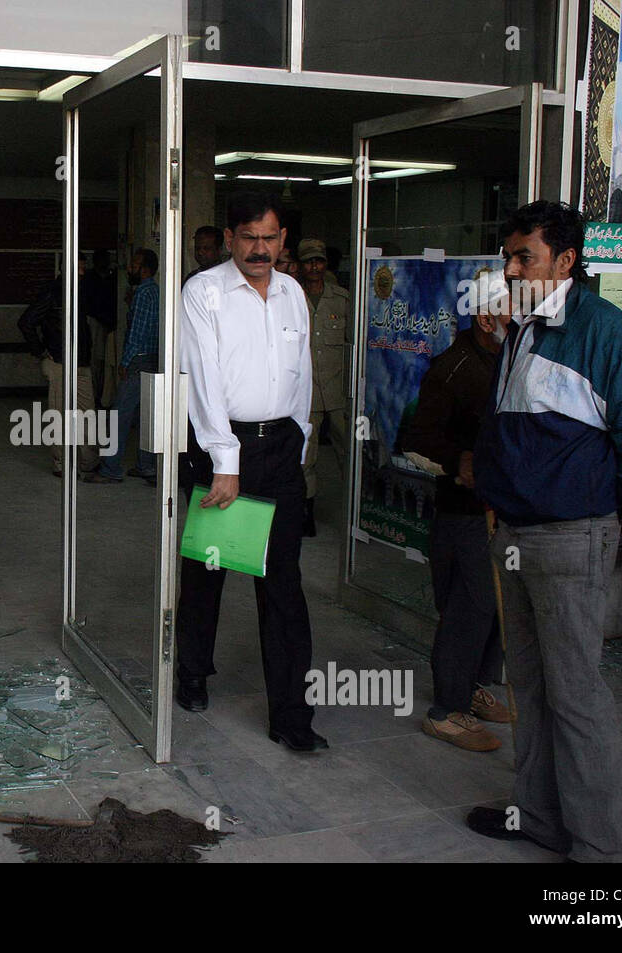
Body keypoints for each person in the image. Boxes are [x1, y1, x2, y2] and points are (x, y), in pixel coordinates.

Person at [468, 200, 622, 862]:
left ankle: (598, 846)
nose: (509, 267)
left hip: (572, 537)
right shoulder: (524, 326)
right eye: (506, 255)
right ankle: (537, 815)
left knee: (576, 695)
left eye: (523, 256)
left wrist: (615, 507)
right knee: (528, 685)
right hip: (518, 535)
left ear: (566, 260)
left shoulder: (606, 333)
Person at [176, 192, 324, 752]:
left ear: (283, 238)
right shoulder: (204, 292)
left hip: (281, 451)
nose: (260, 250)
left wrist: (302, 441)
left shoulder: (291, 294)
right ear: (231, 238)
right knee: (208, 570)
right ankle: (193, 670)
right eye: (249, 239)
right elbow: (204, 380)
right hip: (224, 448)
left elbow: (302, 371)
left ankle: (292, 716)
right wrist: (225, 461)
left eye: (270, 238)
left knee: (283, 584)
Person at [399, 269, 511, 753]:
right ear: (487, 318)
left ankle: (473, 689)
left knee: (497, 610)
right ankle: (447, 709)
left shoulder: (510, 358)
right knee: (471, 605)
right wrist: (459, 460)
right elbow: (418, 439)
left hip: (506, 507)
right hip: (465, 511)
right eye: (514, 309)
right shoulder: (453, 367)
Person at [18, 259, 99, 476]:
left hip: (81, 363)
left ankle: (88, 461)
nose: (83, 272)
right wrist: (41, 351)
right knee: (59, 415)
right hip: (59, 364)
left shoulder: (81, 292)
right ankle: (61, 463)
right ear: (67, 269)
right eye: (79, 268)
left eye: (84, 267)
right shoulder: (52, 292)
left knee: (87, 412)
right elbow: (25, 321)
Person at [86, 248, 159, 485]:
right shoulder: (155, 291)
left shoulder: (143, 294)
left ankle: (110, 468)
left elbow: (137, 332)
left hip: (138, 359)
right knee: (146, 415)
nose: (129, 268)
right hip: (153, 359)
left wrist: (125, 361)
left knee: (118, 415)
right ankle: (146, 465)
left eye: (134, 265)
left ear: (145, 269)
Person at [297, 238, 350, 537]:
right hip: (307, 394)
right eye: (308, 262)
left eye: (318, 261)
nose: (314, 266)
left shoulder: (342, 299)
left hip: (339, 390)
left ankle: (354, 514)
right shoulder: (291, 298)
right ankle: (306, 512)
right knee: (307, 455)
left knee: (349, 454)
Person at [82, 249, 118, 407]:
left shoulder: (112, 278)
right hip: (95, 321)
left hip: (110, 323)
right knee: (96, 361)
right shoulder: (90, 278)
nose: (105, 263)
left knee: (108, 361)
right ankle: (96, 395)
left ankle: (105, 396)